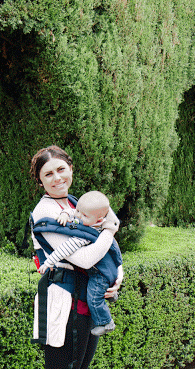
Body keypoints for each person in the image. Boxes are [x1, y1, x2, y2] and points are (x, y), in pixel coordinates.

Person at [29, 146, 123, 369]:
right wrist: (111, 228)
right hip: (64, 303)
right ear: (40, 181)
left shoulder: (75, 203)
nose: (57, 178)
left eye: (61, 169)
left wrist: (117, 275)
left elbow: (108, 248)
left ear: (71, 169)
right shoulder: (45, 212)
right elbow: (86, 259)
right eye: (48, 174)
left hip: (87, 298)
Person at [38, 190, 122, 336]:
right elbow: (73, 211)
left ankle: (106, 322)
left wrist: (48, 262)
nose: (77, 216)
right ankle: (111, 296)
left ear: (98, 220)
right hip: (111, 268)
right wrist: (65, 214)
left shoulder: (84, 235)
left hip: (100, 273)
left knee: (94, 298)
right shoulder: (100, 222)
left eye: (83, 215)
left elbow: (65, 249)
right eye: (78, 211)